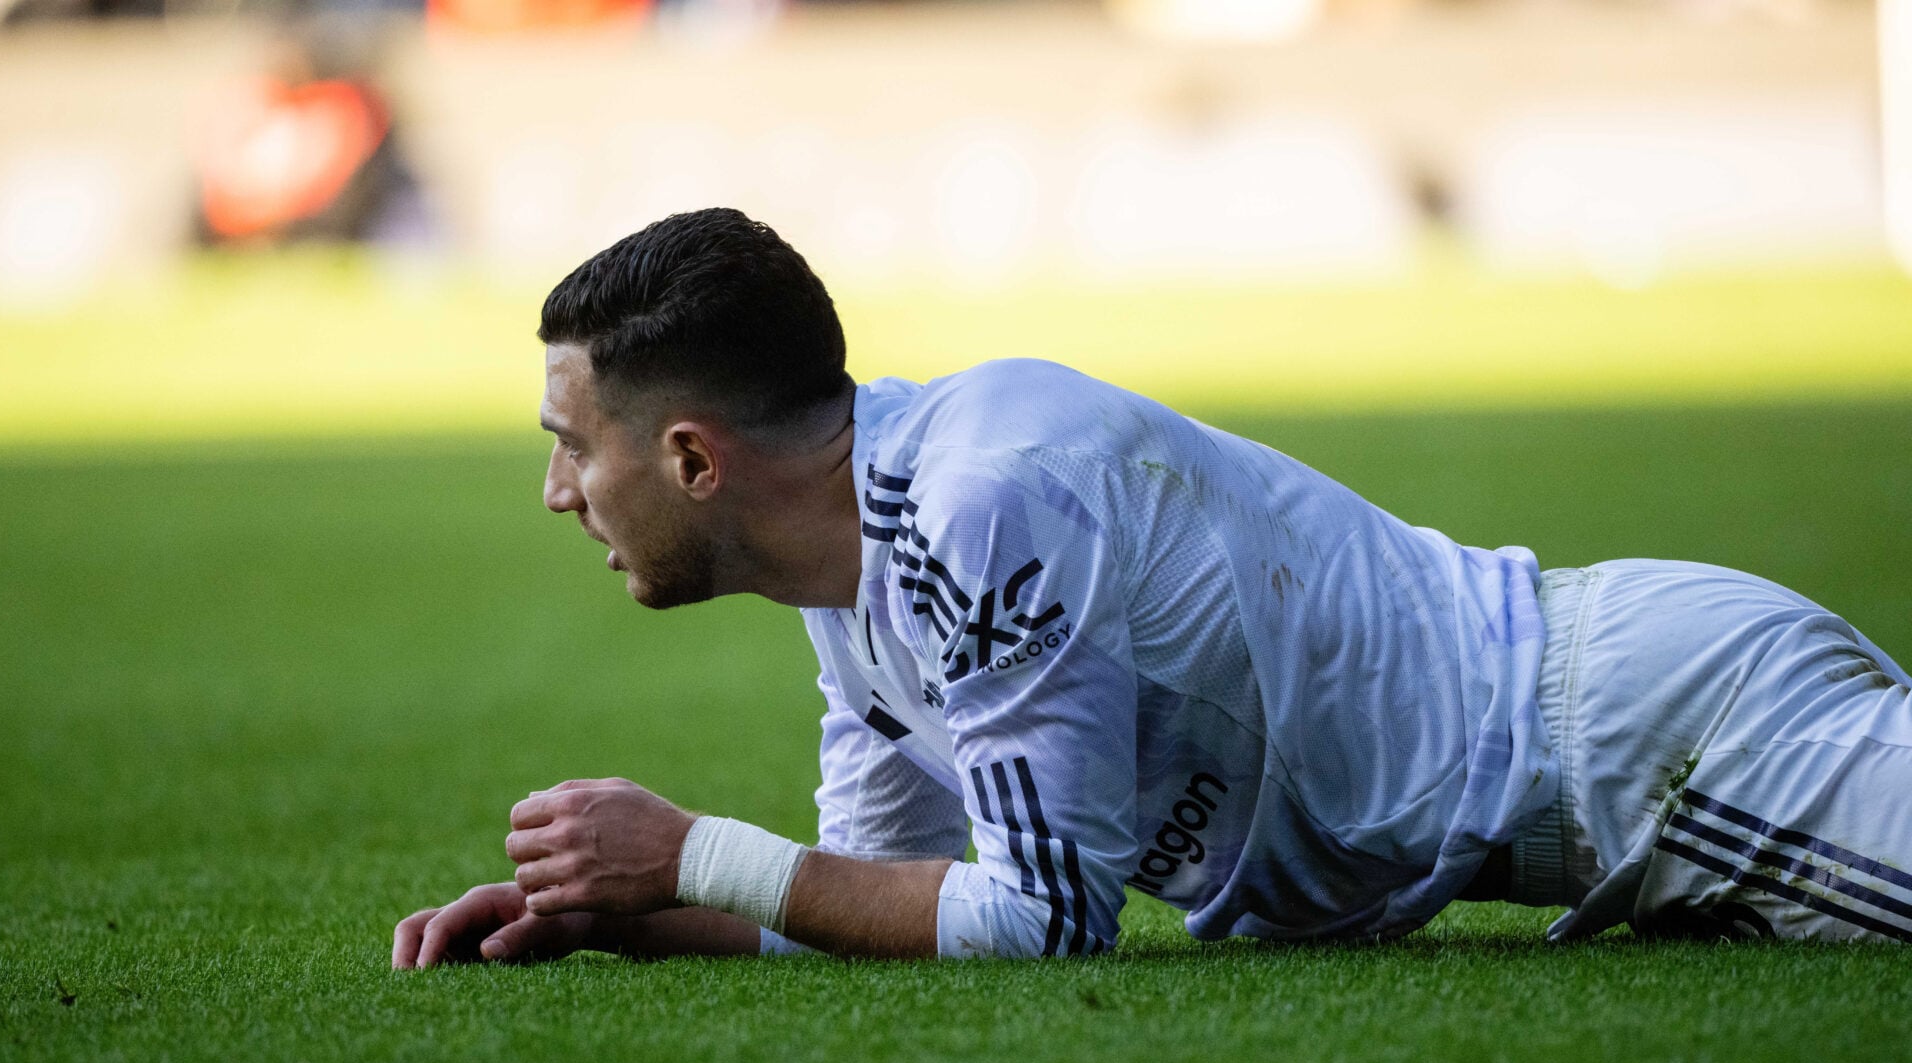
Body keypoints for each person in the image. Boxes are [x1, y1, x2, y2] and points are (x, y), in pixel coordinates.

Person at [391, 208, 1912, 970]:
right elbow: (881, 892)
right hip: (1621, 756)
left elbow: (1044, 917)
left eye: (570, 447)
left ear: (693, 458)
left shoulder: (976, 502)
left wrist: (697, 848)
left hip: (1661, 745)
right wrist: (638, 908)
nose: (557, 494)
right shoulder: (854, 569)